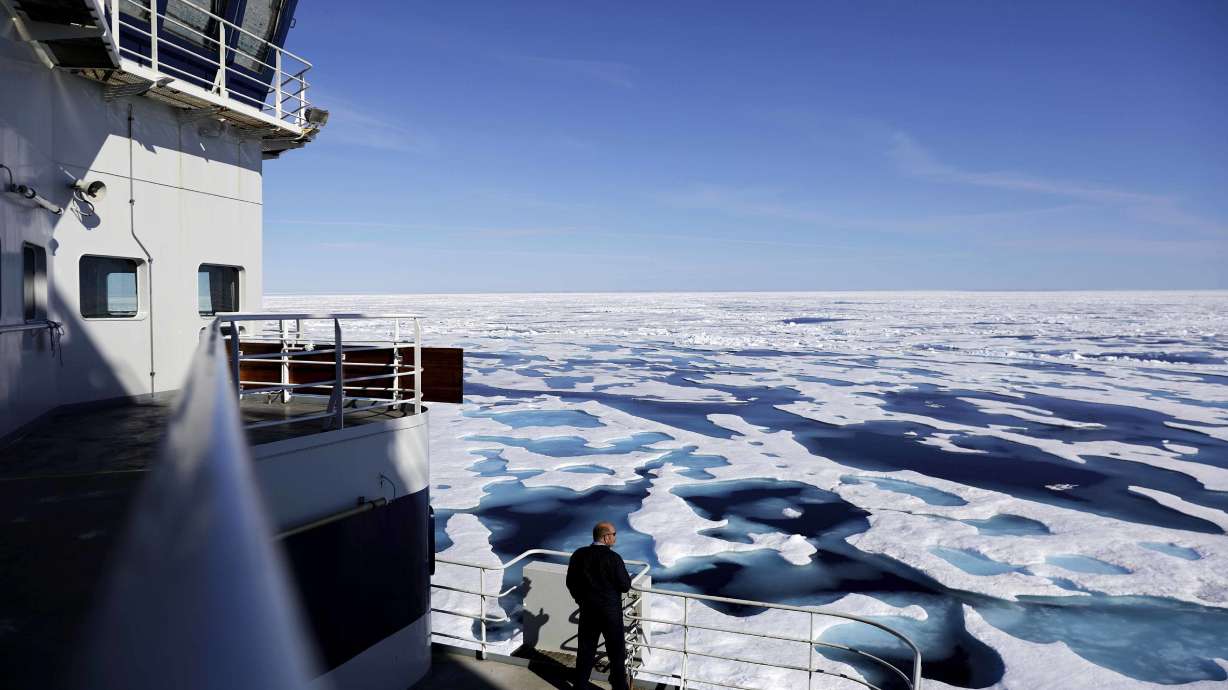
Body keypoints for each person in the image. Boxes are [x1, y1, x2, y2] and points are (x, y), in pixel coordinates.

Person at [566, 521, 632, 690]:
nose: (615, 538)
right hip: (611, 613)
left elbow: (571, 582)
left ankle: (580, 686)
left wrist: (580, 600)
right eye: (614, 534)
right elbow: (625, 585)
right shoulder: (613, 558)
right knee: (616, 654)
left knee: (585, 652)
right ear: (606, 537)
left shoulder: (579, 555)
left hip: (588, 611)